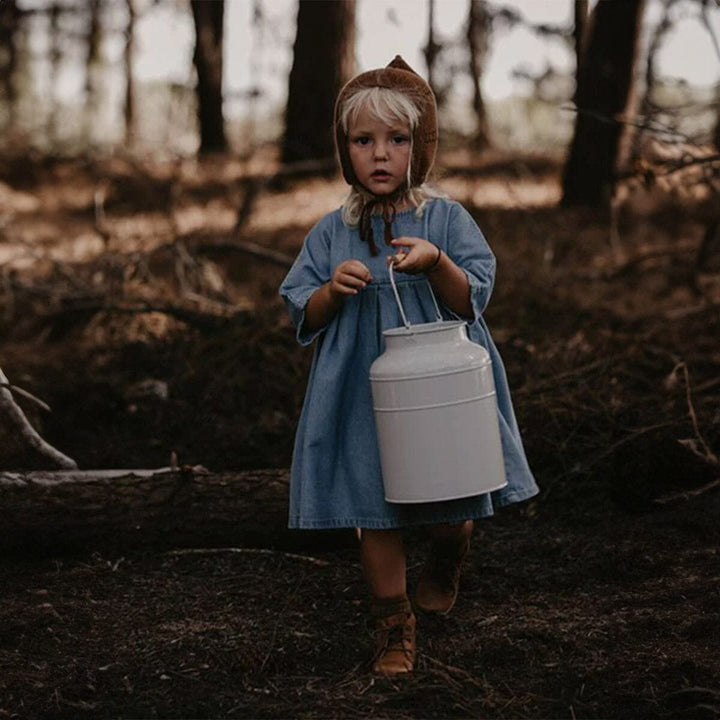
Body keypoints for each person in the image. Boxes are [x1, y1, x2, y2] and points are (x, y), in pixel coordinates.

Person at [279, 56, 538, 676]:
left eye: (397, 140)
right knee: (375, 506)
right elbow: (302, 312)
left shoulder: (445, 219)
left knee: (451, 503)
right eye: (364, 140)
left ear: (419, 149)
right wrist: (330, 292)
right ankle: (393, 625)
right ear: (346, 151)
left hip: (438, 381)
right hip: (360, 394)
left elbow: (472, 298)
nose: (380, 154)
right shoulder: (328, 232)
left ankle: (449, 552)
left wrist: (435, 263)